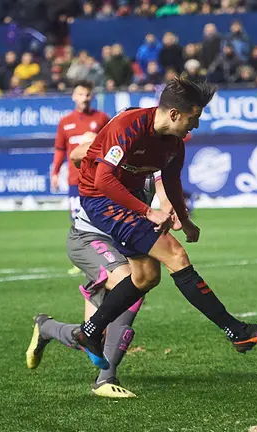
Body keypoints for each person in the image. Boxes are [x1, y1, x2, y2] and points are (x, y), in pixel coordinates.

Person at [56, 78, 257, 369]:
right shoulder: (128, 126)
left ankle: (90, 331)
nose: (195, 126)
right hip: (100, 199)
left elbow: (172, 180)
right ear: (174, 114)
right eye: (193, 118)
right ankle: (237, 332)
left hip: (127, 199)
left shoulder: (174, 144)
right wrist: (147, 212)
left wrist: (184, 220)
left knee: (146, 277)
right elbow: (103, 179)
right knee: (176, 255)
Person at [27, 128, 177, 397]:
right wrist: (94, 149)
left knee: (96, 336)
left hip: (120, 241)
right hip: (89, 237)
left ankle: (47, 328)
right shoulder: (115, 147)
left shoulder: (156, 159)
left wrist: (170, 212)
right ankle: (105, 380)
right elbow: (76, 153)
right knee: (131, 286)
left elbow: (164, 195)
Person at [51, 80, 111, 276]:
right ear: (73, 96)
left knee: (101, 219)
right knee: (77, 220)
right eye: (80, 94)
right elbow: (60, 149)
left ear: (92, 96)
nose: (84, 98)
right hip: (75, 181)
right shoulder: (65, 122)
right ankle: (83, 258)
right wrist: (55, 172)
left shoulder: (102, 118)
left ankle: (109, 256)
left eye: (87, 94)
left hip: (98, 180)